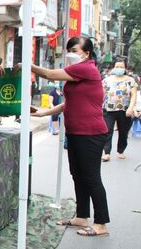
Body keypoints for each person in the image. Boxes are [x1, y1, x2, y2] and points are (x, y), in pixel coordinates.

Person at [23, 36, 109, 237]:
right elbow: (71, 102)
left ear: (87, 53)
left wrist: (28, 65)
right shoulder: (78, 73)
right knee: (78, 175)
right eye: (69, 49)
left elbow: (49, 73)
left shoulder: (86, 68)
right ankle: (81, 216)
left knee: (91, 177)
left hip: (90, 132)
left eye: (75, 50)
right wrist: (44, 113)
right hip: (76, 131)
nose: (71, 53)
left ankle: (101, 223)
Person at [101, 60, 137, 161]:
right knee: (107, 131)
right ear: (113, 67)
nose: (119, 68)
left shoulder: (130, 80)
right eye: (117, 66)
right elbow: (101, 94)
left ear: (125, 68)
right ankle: (106, 153)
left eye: (121, 67)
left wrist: (131, 108)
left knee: (123, 132)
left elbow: (134, 95)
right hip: (108, 109)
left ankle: (121, 150)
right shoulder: (106, 80)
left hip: (124, 110)